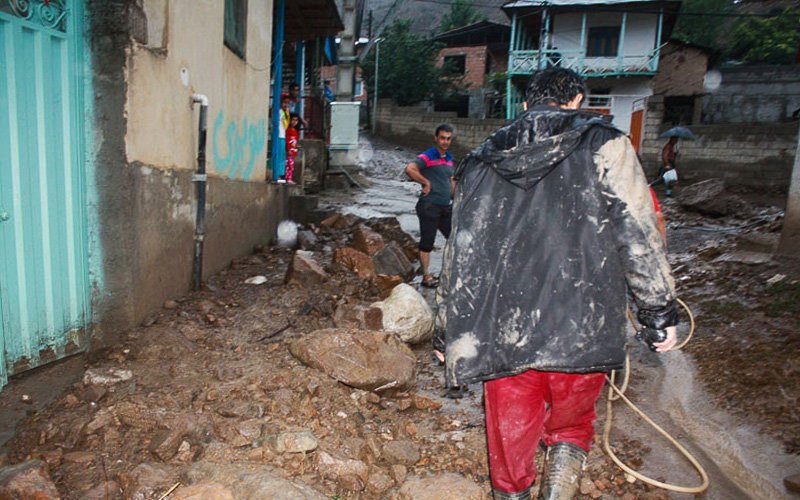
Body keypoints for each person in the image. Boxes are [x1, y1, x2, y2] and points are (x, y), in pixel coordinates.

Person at [434, 68, 678, 499]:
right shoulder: (605, 144)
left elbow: (460, 252)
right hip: (582, 326)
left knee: (509, 443)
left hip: (501, 329)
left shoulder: (479, 160)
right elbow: (636, 232)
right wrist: (658, 310)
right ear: (578, 100)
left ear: (526, 105)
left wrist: (445, 327)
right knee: (571, 427)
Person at [405, 124, 456, 288]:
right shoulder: (427, 156)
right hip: (429, 205)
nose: (445, 141)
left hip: (445, 207)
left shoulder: (449, 158)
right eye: (442, 138)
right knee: (428, 241)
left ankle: (448, 272)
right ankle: (426, 277)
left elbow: (451, 180)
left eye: (448, 139)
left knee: (454, 238)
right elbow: (410, 168)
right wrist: (425, 182)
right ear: (436, 138)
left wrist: (455, 197)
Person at [273, 94, 290, 183]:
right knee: (278, 155)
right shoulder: (279, 112)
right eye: (284, 102)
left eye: (287, 103)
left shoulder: (285, 112)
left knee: (282, 156)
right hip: (278, 136)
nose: (286, 105)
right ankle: (277, 174)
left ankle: (280, 174)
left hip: (282, 136)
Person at [285, 113, 300, 184]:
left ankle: (289, 178)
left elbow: (296, 141)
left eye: (296, 120)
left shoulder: (295, 131)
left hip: (293, 150)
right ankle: (288, 178)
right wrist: (288, 149)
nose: (294, 122)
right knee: (289, 165)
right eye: (293, 120)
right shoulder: (288, 130)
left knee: (291, 165)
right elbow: (287, 140)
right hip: (289, 151)